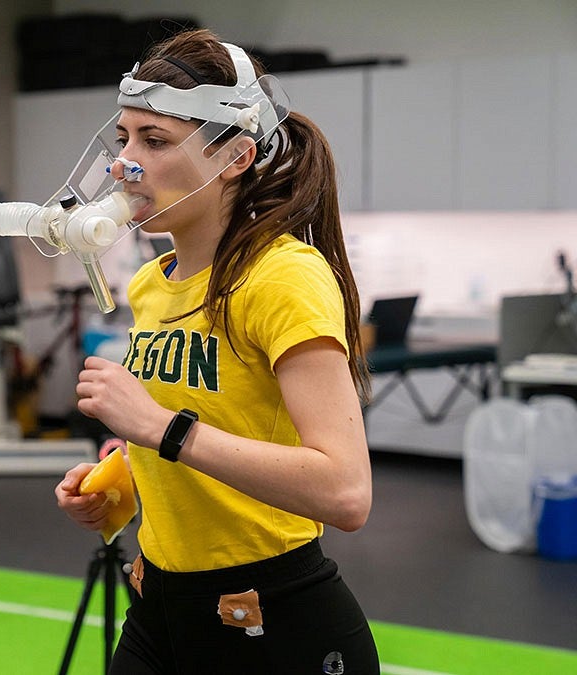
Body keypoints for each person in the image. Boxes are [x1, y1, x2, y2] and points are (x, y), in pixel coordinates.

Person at [55, 29, 380, 674]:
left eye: (155, 140)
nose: (126, 164)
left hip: (273, 619)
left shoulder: (281, 277)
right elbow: (215, 420)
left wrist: (158, 428)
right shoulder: (153, 281)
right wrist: (121, 470)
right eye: (124, 138)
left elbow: (346, 492)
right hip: (158, 606)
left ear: (234, 153)